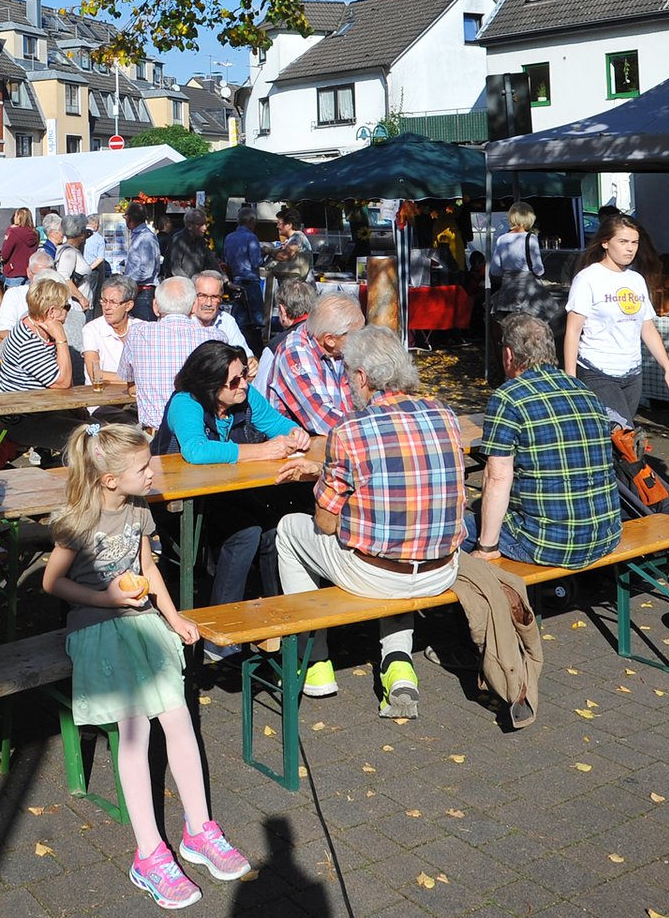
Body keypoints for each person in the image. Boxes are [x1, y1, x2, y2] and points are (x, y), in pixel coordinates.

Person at [44, 423, 254, 908]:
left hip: (139, 625)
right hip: (97, 629)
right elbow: (51, 583)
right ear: (110, 480)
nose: (153, 470)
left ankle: (199, 830)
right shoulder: (79, 520)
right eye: (143, 466)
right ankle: (148, 854)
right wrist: (105, 597)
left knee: (179, 720)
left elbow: (148, 567)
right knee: (135, 731)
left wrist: (173, 614)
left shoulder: (138, 510)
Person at [273, 326, 463, 718]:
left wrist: (331, 482)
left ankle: (316, 660)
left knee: (290, 529)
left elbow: (325, 524)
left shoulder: (350, 430)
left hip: (377, 574)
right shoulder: (445, 414)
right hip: (442, 569)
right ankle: (398, 664)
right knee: (404, 534)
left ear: (361, 377)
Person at [154, 340, 313, 620]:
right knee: (245, 533)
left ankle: (276, 615)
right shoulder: (186, 403)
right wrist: (261, 451)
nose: (244, 384)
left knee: (273, 529)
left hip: (228, 494)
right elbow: (196, 450)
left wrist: (295, 433)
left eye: (245, 375)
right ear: (210, 385)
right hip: (182, 503)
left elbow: (278, 424)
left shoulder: (245, 397)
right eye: (234, 380)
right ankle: (221, 628)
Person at [466, 315, 621, 567]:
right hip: (605, 536)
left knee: (456, 529)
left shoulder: (509, 397)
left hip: (546, 545)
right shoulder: (584, 391)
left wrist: (487, 547)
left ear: (508, 354)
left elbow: (497, 476)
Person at [564, 213, 669, 423]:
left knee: (617, 441)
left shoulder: (635, 279)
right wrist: (571, 380)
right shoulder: (588, 278)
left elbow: (647, 327)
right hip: (597, 371)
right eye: (623, 241)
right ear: (605, 243)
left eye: (634, 242)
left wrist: (668, 369)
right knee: (624, 439)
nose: (630, 248)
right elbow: (573, 331)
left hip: (632, 373)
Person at [119, 277, 226, 428]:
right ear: (194, 306)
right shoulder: (216, 337)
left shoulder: (137, 333)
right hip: (203, 435)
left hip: (154, 438)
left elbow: (129, 382)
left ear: (155, 306)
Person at [262, 294, 361, 436]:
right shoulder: (295, 352)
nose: (361, 338)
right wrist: (370, 429)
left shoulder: (337, 349)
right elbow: (325, 420)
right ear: (330, 339)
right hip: (298, 449)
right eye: (356, 334)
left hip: (337, 440)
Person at [0, 275, 77, 391]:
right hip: (24, 406)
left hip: (43, 402)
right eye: (67, 306)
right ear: (51, 311)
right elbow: (63, 383)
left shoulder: (40, 329)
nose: (68, 311)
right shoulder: (27, 340)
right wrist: (61, 339)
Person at [488, 201, 549, 318]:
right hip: (528, 291)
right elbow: (539, 269)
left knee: (509, 324)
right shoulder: (531, 238)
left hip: (507, 290)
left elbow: (495, 270)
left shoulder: (502, 239)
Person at [82, 274, 137, 384]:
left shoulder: (141, 328)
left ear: (128, 305)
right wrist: (137, 379)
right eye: (104, 301)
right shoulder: (92, 329)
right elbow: (95, 374)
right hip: (101, 397)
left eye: (113, 302)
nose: (107, 307)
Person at [222, 218, 265, 346]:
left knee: (238, 322)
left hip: (235, 282)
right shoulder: (251, 238)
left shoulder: (229, 238)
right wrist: (264, 252)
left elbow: (226, 260)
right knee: (255, 323)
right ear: (251, 221)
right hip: (250, 282)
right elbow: (256, 262)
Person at [191, 269, 250, 351]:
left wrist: (252, 360)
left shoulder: (226, 321)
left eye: (215, 297)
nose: (208, 303)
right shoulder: (183, 322)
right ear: (192, 296)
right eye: (202, 296)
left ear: (221, 299)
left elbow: (244, 354)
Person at [125, 204, 162, 320]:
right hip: (137, 291)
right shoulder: (138, 235)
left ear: (130, 218)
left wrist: (127, 280)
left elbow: (147, 270)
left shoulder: (145, 237)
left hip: (143, 293)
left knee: (146, 329)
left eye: (125, 217)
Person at [166, 207, 220, 281]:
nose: (204, 228)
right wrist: (190, 284)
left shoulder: (201, 241)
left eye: (205, 224)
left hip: (194, 285)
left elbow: (212, 263)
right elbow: (175, 268)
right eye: (200, 224)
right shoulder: (178, 240)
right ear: (189, 225)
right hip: (178, 286)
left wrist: (226, 280)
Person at [0, 207, 41, 289]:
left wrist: (8, 232)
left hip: (14, 271)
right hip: (29, 271)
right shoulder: (36, 233)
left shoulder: (14, 233)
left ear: (18, 217)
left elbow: (5, 254)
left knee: (13, 299)